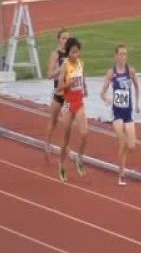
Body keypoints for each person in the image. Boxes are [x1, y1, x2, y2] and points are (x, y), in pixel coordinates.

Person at [100, 44, 140, 186]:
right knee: (122, 142)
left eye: (125, 54)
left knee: (132, 146)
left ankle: (122, 170)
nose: (123, 56)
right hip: (116, 113)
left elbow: (137, 87)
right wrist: (107, 99)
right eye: (121, 54)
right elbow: (102, 92)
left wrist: (137, 103)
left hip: (128, 113)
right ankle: (121, 174)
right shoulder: (112, 73)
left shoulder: (131, 71)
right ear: (116, 56)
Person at [57, 37, 88, 182]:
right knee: (66, 138)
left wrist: (85, 88)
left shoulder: (81, 63)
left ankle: (79, 158)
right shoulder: (65, 65)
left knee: (84, 133)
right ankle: (62, 164)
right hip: (68, 104)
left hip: (79, 102)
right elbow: (58, 88)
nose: (76, 55)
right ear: (68, 53)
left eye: (77, 52)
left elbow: (83, 78)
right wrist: (67, 84)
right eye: (73, 52)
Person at [45, 28, 70, 162]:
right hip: (57, 93)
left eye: (68, 38)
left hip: (68, 94)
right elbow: (49, 75)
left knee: (67, 123)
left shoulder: (72, 54)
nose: (66, 41)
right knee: (53, 123)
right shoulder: (55, 54)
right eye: (63, 38)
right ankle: (47, 145)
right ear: (59, 40)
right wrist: (61, 68)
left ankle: (66, 149)